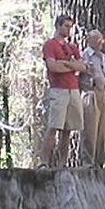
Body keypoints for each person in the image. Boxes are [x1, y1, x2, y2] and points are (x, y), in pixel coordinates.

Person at [38, 14, 86, 167]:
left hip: (74, 89)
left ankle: (62, 164)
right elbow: (53, 67)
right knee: (54, 126)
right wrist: (71, 64)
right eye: (66, 26)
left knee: (68, 129)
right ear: (58, 26)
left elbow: (83, 67)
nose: (68, 30)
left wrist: (66, 64)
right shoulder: (50, 45)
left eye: (70, 27)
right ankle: (44, 162)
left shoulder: (72, 47)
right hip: (58, 90)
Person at [80, 29, 105, 167]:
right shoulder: (85, 55)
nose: (100, 43)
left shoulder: (102, 57)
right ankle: (87, 163)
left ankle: (99, 163)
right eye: (97, 40)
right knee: (90, 131)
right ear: (90, 41)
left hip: (102, 94)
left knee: (102, 131)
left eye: (101, 40)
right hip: (90, 93)